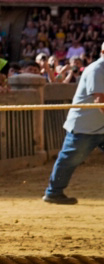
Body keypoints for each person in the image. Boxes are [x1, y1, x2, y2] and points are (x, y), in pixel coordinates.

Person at [39, 51, 104, 204]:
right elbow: (100, 100)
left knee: (69, 159)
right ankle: (53, 192)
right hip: (85, 126)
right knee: (70, 159)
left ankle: (54, 192)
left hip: (99, 125)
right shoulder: (97, 69)